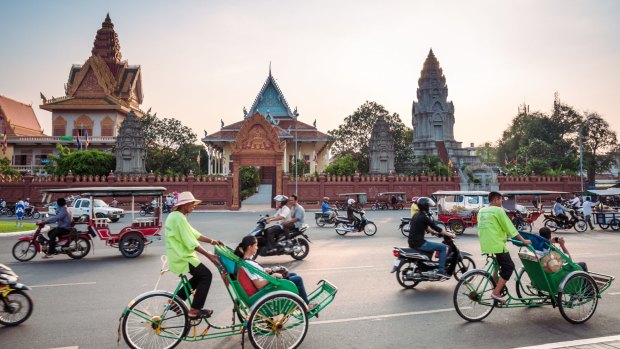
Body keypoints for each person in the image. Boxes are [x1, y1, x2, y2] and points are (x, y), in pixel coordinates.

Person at [164, 191, 224, 319]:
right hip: (182, 256)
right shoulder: (178, 218)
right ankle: (195, 310)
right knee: (206, 275)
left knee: (198, 277)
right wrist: (210, 256)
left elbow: (194, 234)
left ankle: (176, 302)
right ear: (185, 205)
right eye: (192, 204)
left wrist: (213, 241)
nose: (194, 206)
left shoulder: (176, 216)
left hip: (178, 255)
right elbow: (191, 242)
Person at [477, 191, 532, 303]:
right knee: (509, 267)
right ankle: (496, 292)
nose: (502, 202)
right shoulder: (498, 210)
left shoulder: (482, 210)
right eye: (501, 200)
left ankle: (496, 286)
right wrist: (524, 241)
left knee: (498, 266)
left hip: (485, 244)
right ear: (496, 199)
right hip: (496, 244)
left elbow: (491, 227)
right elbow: (510, 228)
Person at [234, 235, 316, 309]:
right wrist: (272, 276)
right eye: (255, 245)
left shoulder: (247, 262)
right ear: (249, 247)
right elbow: (258, 285)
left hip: (267, 284)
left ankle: (301, 303)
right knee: (298, 279)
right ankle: (305, 305)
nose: (257, 248)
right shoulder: (248, 264)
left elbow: (257, 275)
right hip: (266, 289)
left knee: (293, 275)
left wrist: (265, 271)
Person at [408, 197, 456, 279]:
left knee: (432, 246)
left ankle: (429, 267)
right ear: (425, 206)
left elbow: (425, 227)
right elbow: (436, 227)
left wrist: (433, 232)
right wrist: (449, 234)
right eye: (428, 206)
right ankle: (441, 271)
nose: (429, 207)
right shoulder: (423, 217)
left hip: (412, 242)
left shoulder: (416, 215)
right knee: (443, 247)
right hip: (419, 243)